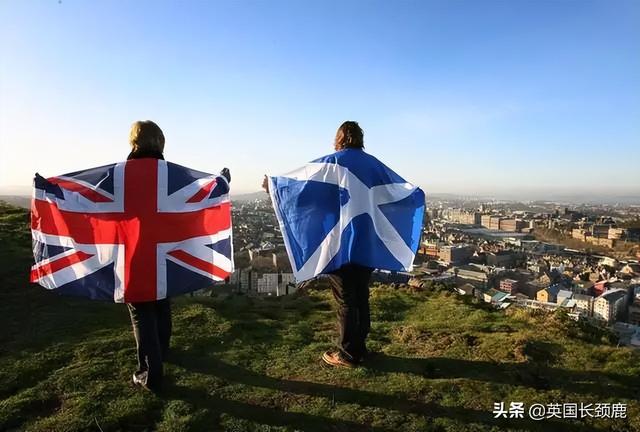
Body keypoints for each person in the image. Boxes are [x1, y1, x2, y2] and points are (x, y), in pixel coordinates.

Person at [126, 120, 230, 391]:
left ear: (133, 142)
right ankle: (163, 352)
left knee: (141, 313)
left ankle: (151, 373)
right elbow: (197, 195)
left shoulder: (121, 175)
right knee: (161, 303)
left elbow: (88, 198)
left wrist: (48, 190)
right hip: (166, 253)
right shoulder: (170, 176)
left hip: (134, 254)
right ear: (160, 143)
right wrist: (220, 183)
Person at [262, 121, 373, 368]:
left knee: (346, 299)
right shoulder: (372, 166)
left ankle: (347, 354)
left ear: (339, 139)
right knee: (361, 295)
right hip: (365, 243)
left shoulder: (331, 165)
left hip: (339, 245)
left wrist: (273, 188)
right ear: (360, 139)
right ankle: (360, 348)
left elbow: (303, 192)